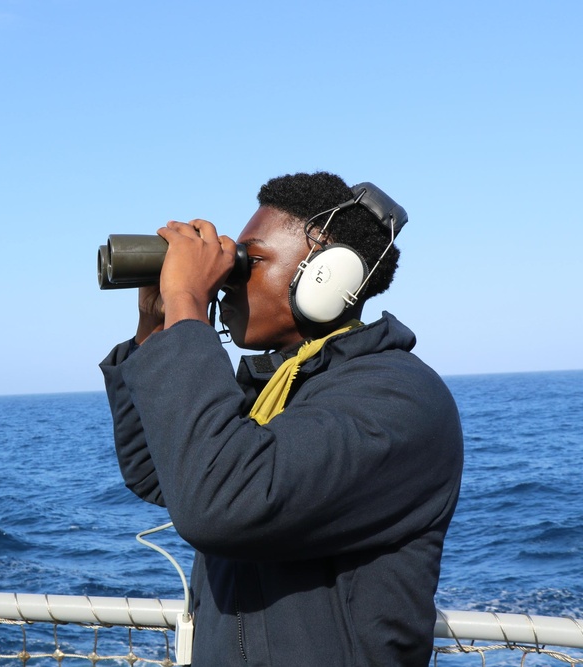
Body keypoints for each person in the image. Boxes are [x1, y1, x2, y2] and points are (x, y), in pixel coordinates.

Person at [99, 171, 464, 666]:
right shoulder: (277, 388)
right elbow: (156, 471)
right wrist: (157, 327)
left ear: (326, 277)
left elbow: (220, 501)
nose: (227, 282)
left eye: (250, 261)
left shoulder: (397, 398)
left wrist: (189, 303)